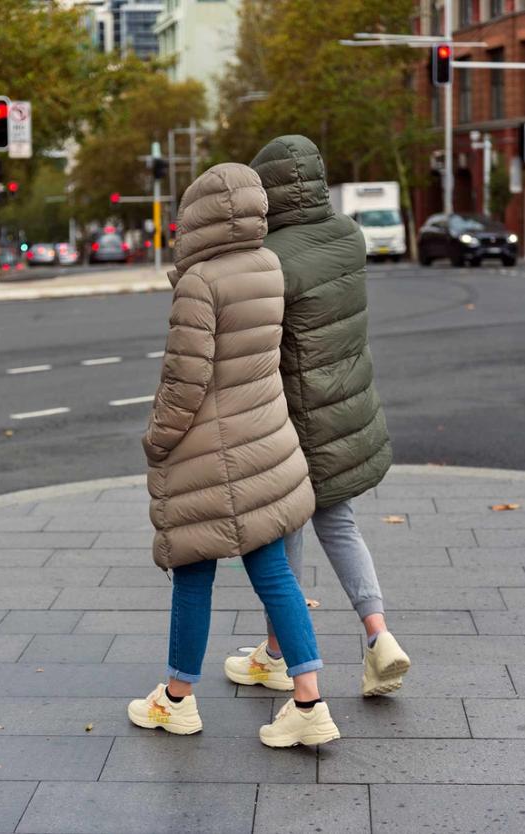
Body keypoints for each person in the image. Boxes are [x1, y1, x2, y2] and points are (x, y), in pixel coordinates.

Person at [127, 162, 340, 747]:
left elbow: (184, 383)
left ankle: (176, 700)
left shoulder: (199, 283)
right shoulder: (269, 265)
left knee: (192, 577)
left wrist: (157, 441)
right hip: (264, 443)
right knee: (275, 577)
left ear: (198, 217)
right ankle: (309, 702)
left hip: (205, 456)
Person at [224, 136, 411, 698]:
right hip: (348, 405)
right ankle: (380, 638)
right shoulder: (350, 236)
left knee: (286, 528)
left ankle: (280, 656)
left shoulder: (270, 259)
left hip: (294, 412)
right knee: (339, 521)